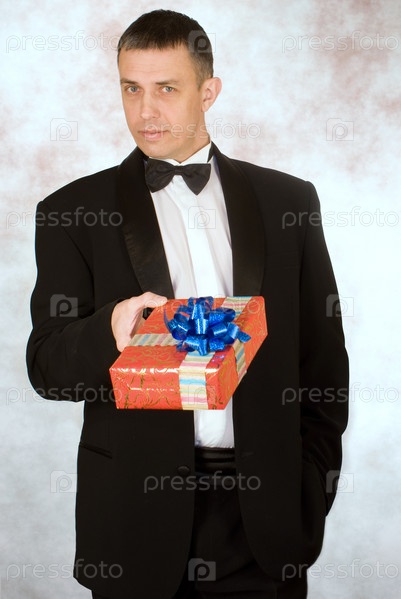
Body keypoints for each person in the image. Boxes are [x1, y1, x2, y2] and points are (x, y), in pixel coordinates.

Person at [26, 9, 349, 599]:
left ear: (209, 91)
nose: (145, 111)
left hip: (267, 524)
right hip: (132, 522)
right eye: (131, 88)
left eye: (166, 89)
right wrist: (109, 329)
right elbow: (47, 370)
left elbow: (324, 364)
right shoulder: (70, 211)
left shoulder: (289, 201)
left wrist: (309, 488)